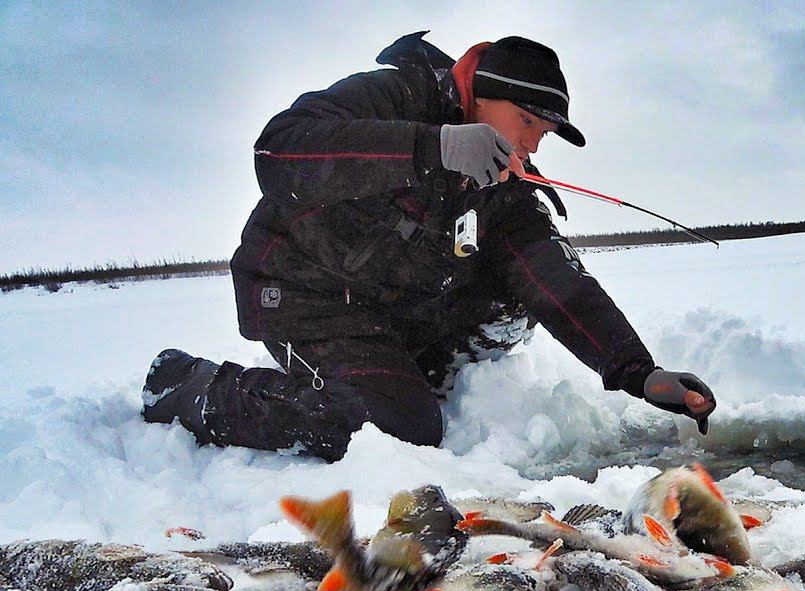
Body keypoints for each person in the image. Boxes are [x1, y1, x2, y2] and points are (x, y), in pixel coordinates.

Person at [140, 32, 716, 461]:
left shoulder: (506, 182)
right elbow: (280, 152)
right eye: (528, 122)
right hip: (303, 294)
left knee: (515, 300)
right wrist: (432, 147)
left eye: (544, 133)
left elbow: (555, 279)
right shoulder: (399, 94)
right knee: (398, 427)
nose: (535, 143)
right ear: (485, 98)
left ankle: (407, 374)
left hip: (393, 304)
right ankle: (190, 386)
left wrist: (639, 372)